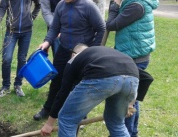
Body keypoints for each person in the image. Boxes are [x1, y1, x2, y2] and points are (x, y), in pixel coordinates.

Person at [40, 45, 139, 136]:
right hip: (132, 78)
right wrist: (131, 102)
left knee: (67, 120)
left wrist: (49, 124)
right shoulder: (106, 54)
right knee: (116, 123)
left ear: (73, 54)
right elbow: (144, 78)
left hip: (102, 76)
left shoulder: (73, 60)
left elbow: (63, 92)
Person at [33, 0, 105, 120]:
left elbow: (101, 27)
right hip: (64, 48)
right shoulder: (61, 5)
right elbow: (54, 28)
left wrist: (92, 50)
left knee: (78, 84)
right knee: (56, 80)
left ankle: (80, 115)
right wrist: (47, 41)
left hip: (82, 52)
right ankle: (48, 108)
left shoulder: (88, 6)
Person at [106, 0, 158, 135]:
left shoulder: (136, 5)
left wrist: (114, 6)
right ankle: (132, 132)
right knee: (131, 99)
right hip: (134, 55)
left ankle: (126, 132)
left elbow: (111, 25)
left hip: (134, 59)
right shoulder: (136, 3)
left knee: (125, 101)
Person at [0, 0, 41, 97]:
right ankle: (6, 86)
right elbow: (2, 8)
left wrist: (32, 17)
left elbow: (38, 5)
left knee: (22, 58)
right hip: (11, 31)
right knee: (7, 58)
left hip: (27, 31)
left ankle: (18, 84)